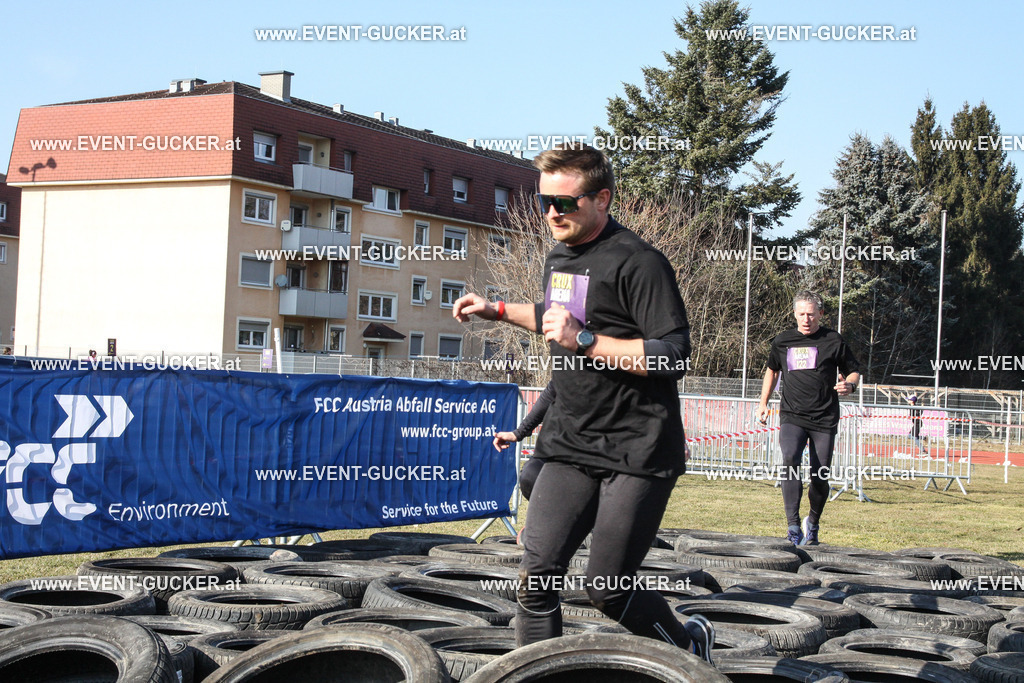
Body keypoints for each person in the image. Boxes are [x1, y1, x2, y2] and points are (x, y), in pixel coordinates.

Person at [453, 143, 714, 662]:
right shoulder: (560, 255)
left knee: (608, 587)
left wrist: (589, 342)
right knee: (535, 580)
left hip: (637, 450)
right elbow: (558, 317)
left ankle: (690, 644)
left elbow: (673, 355)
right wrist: (498, 309)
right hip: (570, 442)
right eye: (545, 201)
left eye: (566, 203)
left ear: (602, 200)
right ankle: (535, 675)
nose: (553, 213)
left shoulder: (640, 263)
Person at [756, 291, 861, 546]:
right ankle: (793, 527)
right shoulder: (783, 341)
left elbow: (854, 371)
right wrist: (763, 403)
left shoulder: (833, 340)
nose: (806, 319)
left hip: (824, 417)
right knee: (790, 459)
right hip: (792, 415)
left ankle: (812, 523)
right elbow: (771, 370)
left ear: (820, 314)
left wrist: (849, 385)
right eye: (801, 314)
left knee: (820, 473)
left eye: (811, 314)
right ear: (794, 314)